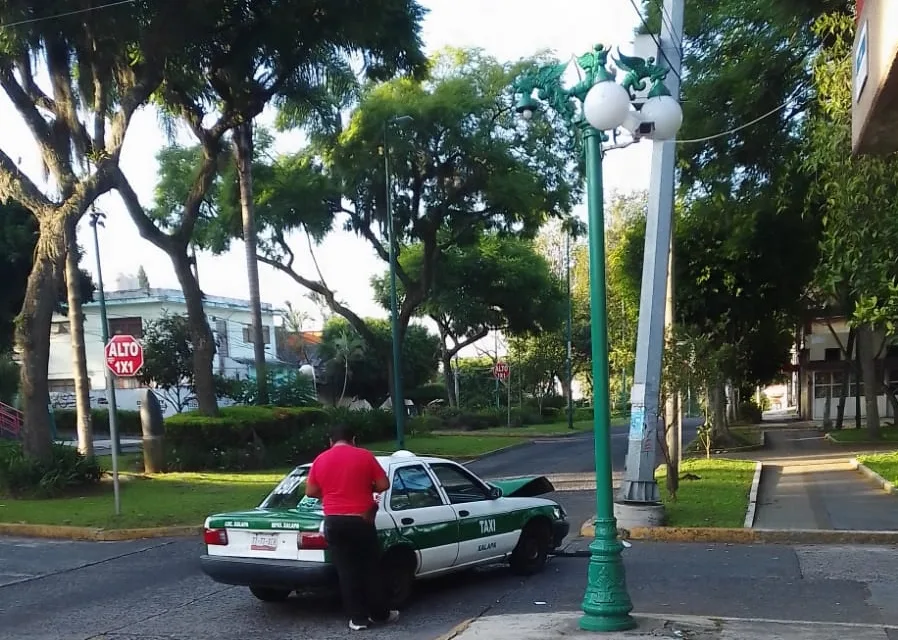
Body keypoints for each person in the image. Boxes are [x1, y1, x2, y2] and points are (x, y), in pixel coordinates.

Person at [305, 423, 398, 631]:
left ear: (330, 441)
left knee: (346, 571)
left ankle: (358, 619)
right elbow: (383, 485)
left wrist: (329, 494)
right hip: (361, 519)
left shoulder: (320, 459)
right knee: (370, 569)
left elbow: (310, 491)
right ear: (354, 439)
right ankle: (380, 614)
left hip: (334, 521)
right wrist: (366, 487)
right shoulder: (364, 456)